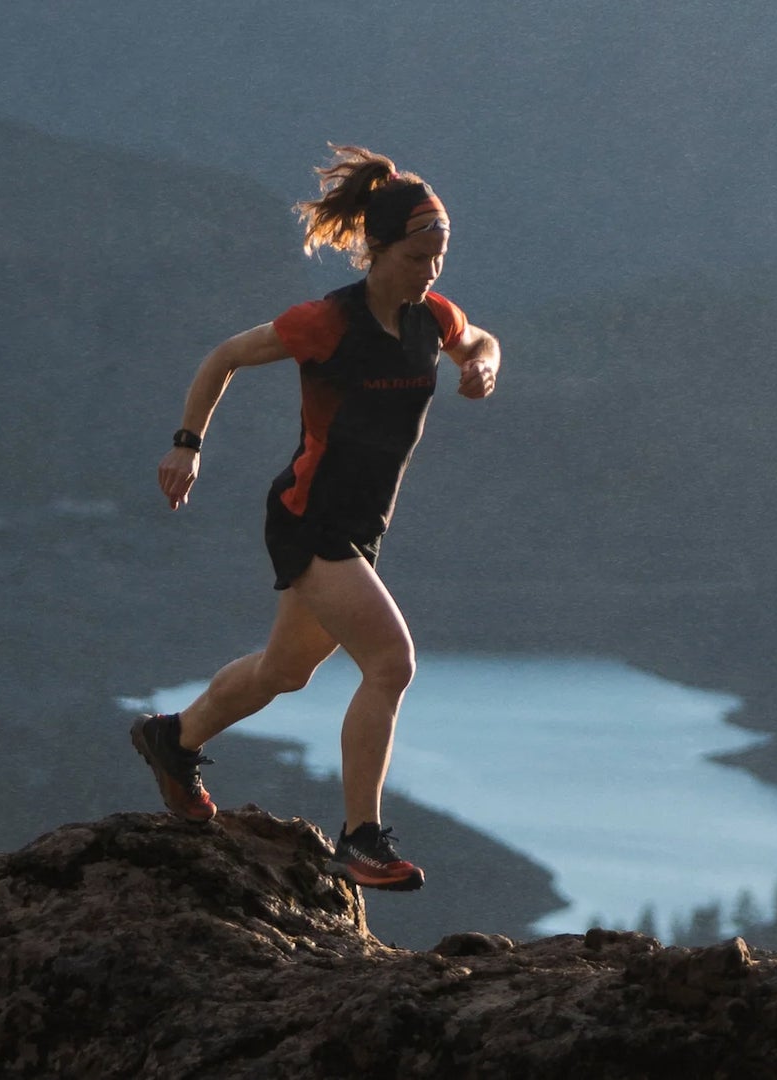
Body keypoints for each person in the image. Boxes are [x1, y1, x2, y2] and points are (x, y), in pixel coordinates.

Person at [127, 144, 499, 892]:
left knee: (285, 671)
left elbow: (479, 339)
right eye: (419, 255)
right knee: (392, 663)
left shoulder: (433, 319)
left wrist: (483, 361)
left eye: (441, 255)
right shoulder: (327, 322)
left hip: (363, 525)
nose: (432, 269)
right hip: (311, 517)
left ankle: (173, 739)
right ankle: (361, 839)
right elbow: (224, 357)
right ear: (380, 249)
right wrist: (187, 445)